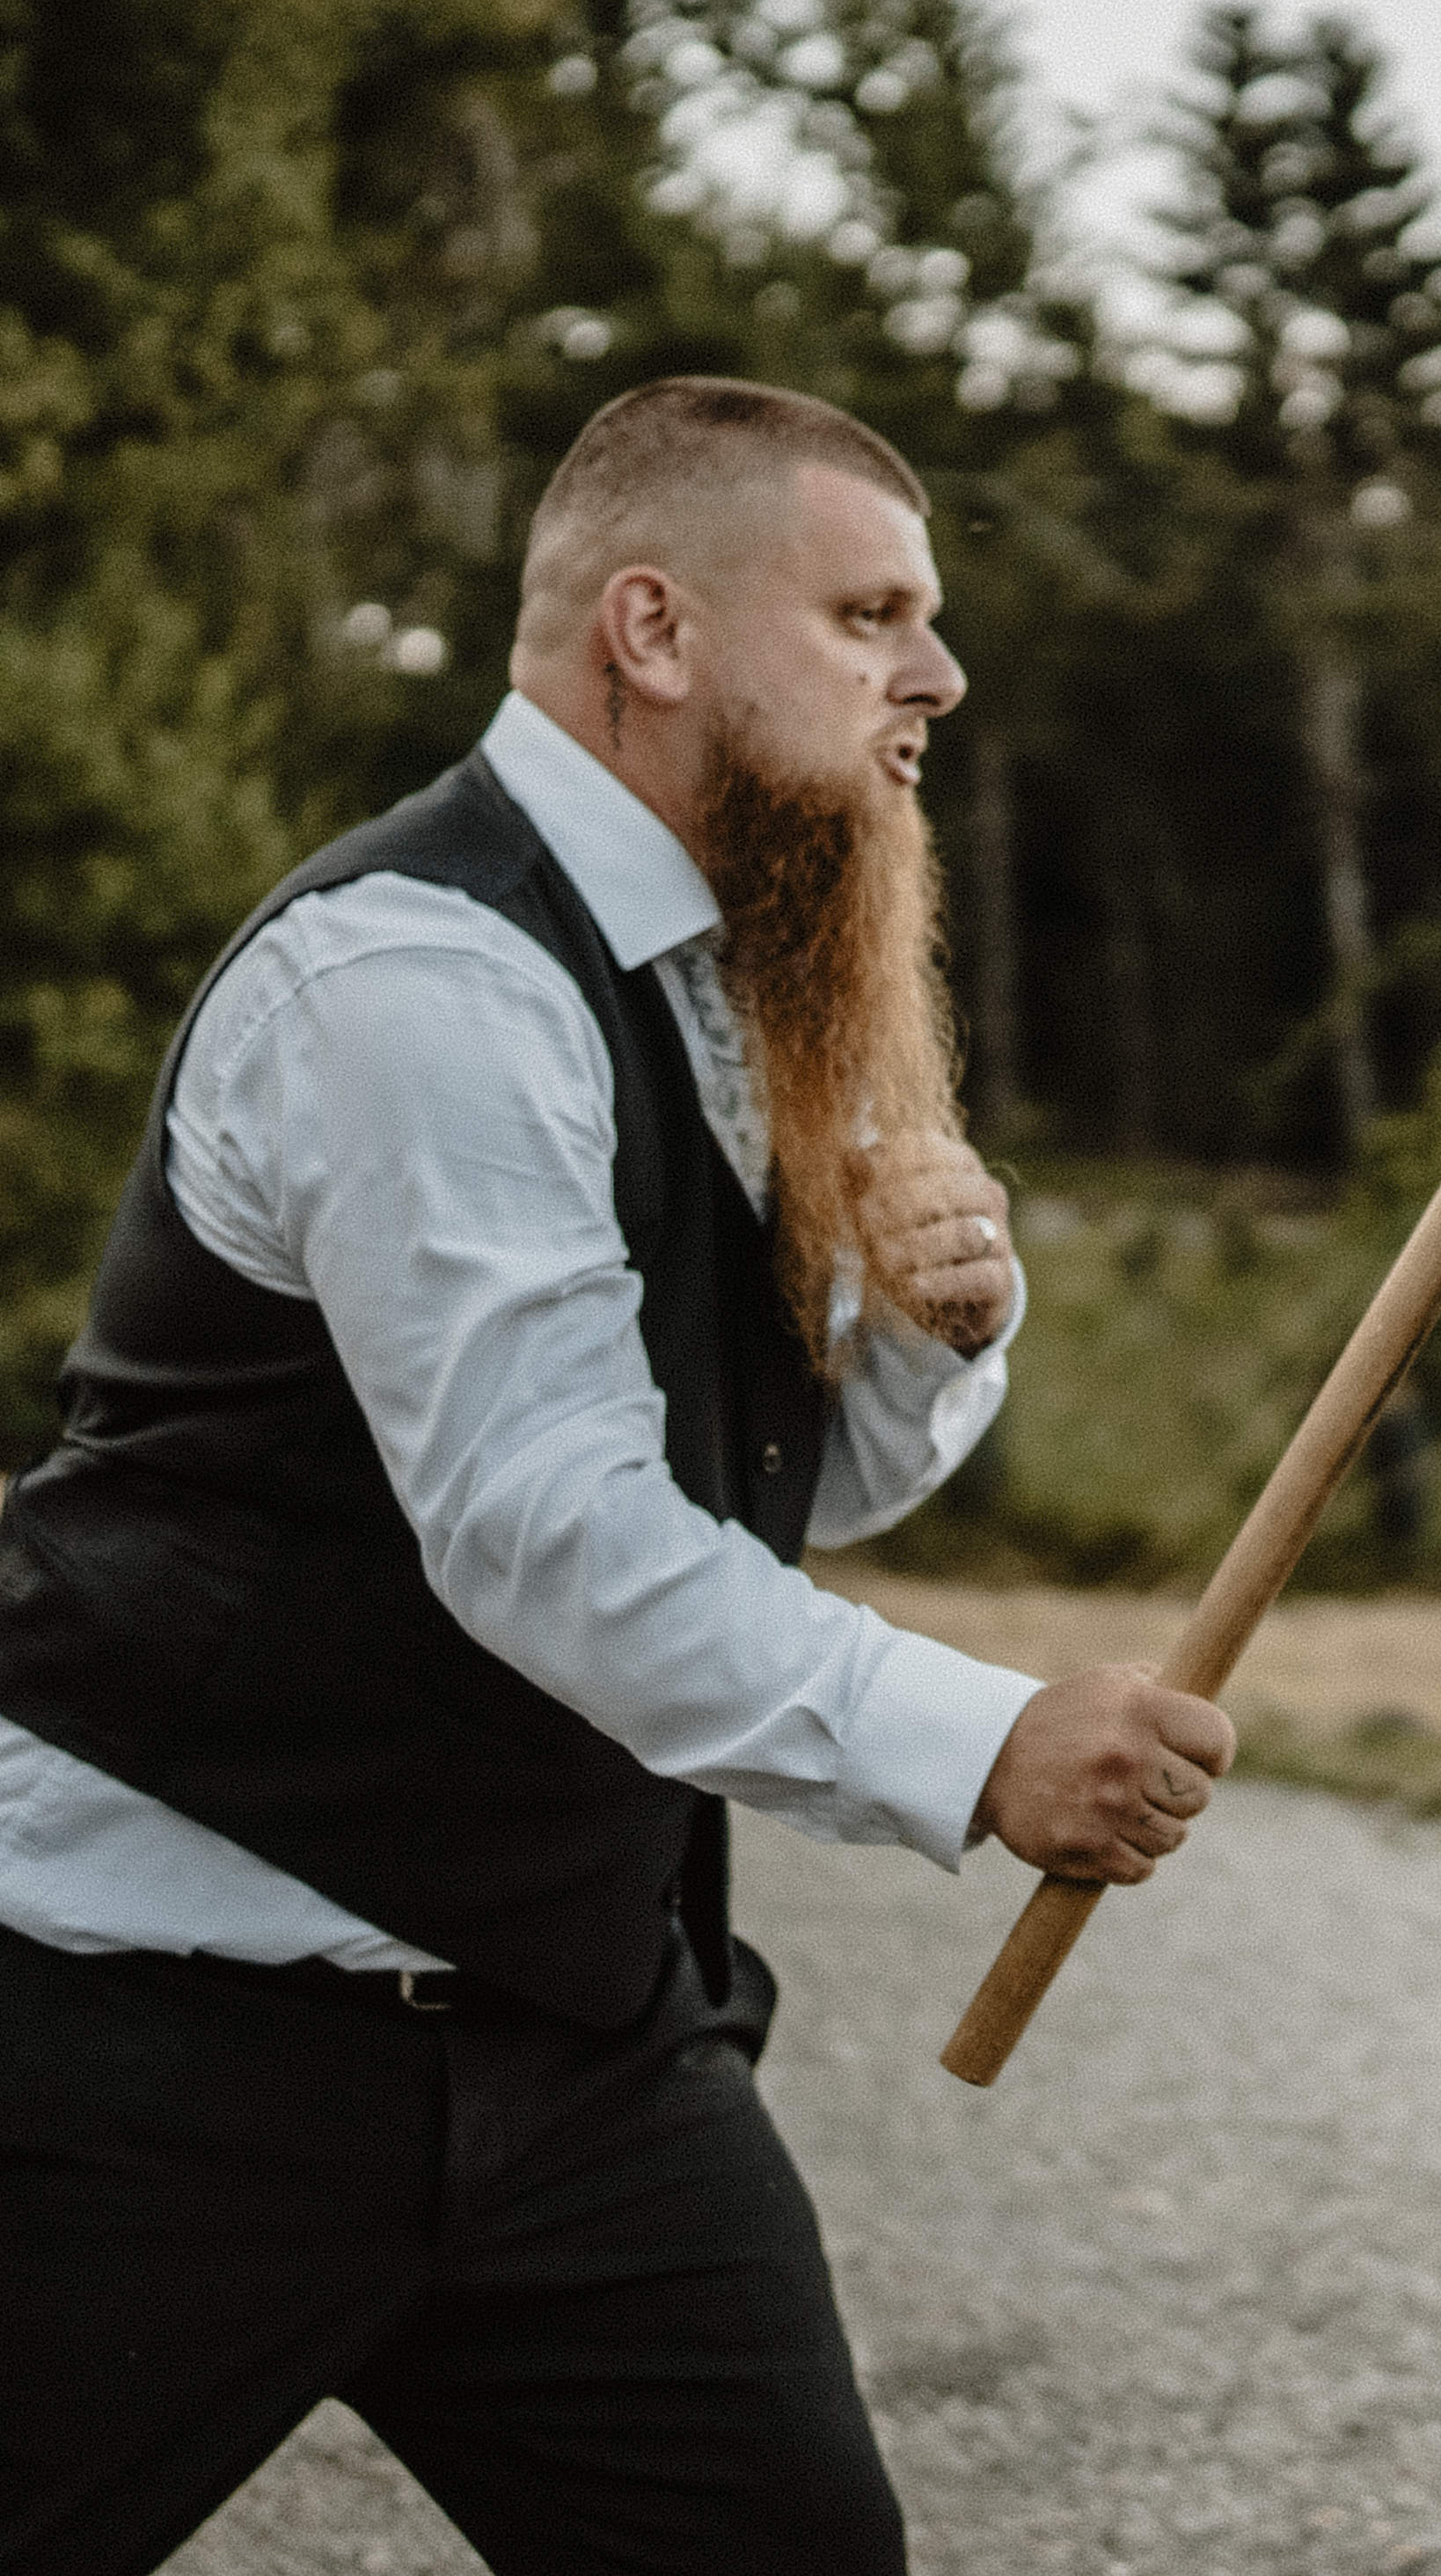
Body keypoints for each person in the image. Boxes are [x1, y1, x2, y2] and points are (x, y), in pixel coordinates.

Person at [0, 378, 1232, 2574]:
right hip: (143, 2034)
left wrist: (935, 1330)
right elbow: (549, 1528)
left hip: (579, 2046)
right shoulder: (420, 977)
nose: (936, 676)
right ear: (649, 629)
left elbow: (779, 1484)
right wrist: (985, 1740)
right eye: (871, 613)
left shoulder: (733, 975)